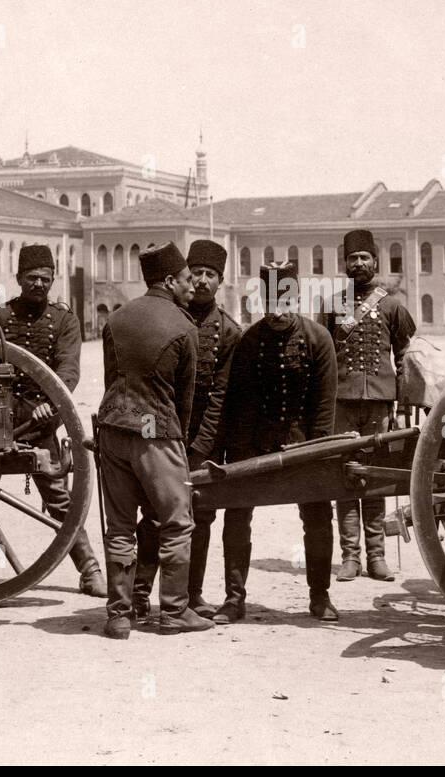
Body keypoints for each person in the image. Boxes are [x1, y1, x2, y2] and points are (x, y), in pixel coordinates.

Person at [96, 241, 213, 638]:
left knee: (119, 527)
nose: (191, 284)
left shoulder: (117, 319)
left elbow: (112, 378)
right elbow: (186, 396)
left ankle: (118, 615)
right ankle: (174, 612)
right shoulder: (184, 326)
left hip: (112, 429)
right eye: (185, 279)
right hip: (155, 432)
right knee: (178, 523)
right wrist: (174, 442)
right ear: (168, 280)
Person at [0, 244, 106, 597]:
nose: (38, 284)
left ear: (53, 280)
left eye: (45, 279)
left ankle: (90, 570)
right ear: (18, 278)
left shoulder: (64, 320)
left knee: (60, 498)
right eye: (31, 278)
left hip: (41, 423)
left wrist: (50, 403)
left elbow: (69, 368)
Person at [213, 259, 339, 622]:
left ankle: (320, 596)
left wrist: (319, 454)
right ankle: (234, 599)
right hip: (256, 447)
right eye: (270, 304)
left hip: (305, 447)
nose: (278, 313)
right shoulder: (249, 341)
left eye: (285, 303)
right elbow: (241, 405)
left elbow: (323, 407)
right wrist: (240, 460)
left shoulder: (318, 339)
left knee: (317, 517)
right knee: (237, 516)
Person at [132, 239, 245, 620]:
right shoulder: (165, 318)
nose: (200, 281)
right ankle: (139, 594)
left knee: (200, 517)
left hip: (203, 440)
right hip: (163, 431)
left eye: (209, 275)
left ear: (221, 282)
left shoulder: (229, 332)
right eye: (194, 273)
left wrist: (200, 445)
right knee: (153, 513)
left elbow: (222, 395)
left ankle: (191, 594)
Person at [323, 229, 415, 582]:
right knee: (346, 477)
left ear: (375, 262)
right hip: (342, 403)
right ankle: (350, 557)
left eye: (364, 258)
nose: (358, 264)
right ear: (344, 264)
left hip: (379, 402)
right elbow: (324, 355)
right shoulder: (332, 305)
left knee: (374, 477)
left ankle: (377, 556)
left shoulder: (392, 305)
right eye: (352, 258)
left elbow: (407, 354)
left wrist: (406, 394)